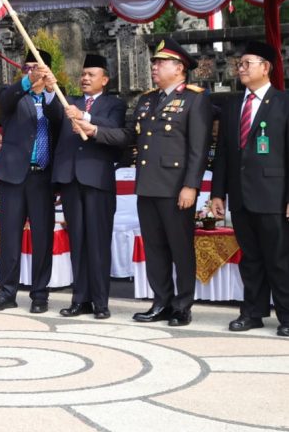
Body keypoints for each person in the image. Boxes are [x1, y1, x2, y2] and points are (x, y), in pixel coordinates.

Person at [75, 38, 211, 327]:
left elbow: (198, 149)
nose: (154, 67)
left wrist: (191, 186)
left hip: (176, 188)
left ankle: (182, 306)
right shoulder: (148, 99)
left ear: (179, 68)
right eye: (154, 63)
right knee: (155, 248)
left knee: (180, 249)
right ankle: (161, 302)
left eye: (160, 63)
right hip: (148, 185)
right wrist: (95, 130)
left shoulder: (195, 99)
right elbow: (129, 136)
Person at [210, 41, 289, 337]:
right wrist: (217, 193)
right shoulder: (232, 106)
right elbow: (222, 154)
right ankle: (252, 313)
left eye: (247, 64)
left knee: (279, 258)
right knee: (251, 259)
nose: (240, 69)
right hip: (241, 196)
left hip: (273, 195)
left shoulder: (283, 102)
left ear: (265, 68)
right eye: (239, 64)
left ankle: (287, 315)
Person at [0, 50, 62, 314]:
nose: (31, 71)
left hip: (42, 176)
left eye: (36, 67)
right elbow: (5, 101)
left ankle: (40, 294)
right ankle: (7, 292)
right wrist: (29, 80)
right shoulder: (15, 94)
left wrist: (50, 90)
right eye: (26, 67)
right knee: (10, 237)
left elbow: (59, 119)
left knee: (42, 238)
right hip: (14, 177)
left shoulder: (55, 97)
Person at [53, 55, 126, 320]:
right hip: (71, 180)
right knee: (78, 241)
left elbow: (115, 129)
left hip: (97, 181)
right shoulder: (67, 102)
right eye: (83, 74)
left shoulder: (114, 104)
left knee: (98, 243)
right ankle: (79, 299)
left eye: (91, 74)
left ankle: (100, 302)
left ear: (104, 80)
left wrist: (84, 116)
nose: (85, 78)